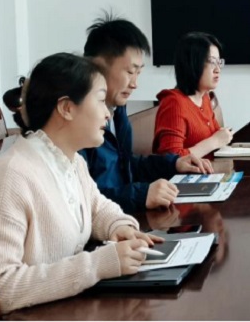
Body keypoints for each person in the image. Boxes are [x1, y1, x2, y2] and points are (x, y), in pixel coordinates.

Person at [0, 53, 161, 313]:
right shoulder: (8, 178)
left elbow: (96, 207)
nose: (107, 114)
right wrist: (97, 265)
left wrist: (119, 226)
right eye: (101, 100)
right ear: (66, 108)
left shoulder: (72, 161)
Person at [81, 13, 213, 213]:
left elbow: (126, 165)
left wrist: (174, 163)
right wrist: (142, 194)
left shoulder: (117, 110)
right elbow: (84, 200)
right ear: (96, 66)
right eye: (129, 72)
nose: (135, 84)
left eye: (138, 73)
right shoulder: (79, 122)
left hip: (123, 219)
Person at [153, 31, 232, 157]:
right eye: (212, 62)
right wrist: (214, 142)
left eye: (219, 62)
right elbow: (170, 159)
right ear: (192, 63)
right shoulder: (174, 104)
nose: (218, 69)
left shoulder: (204, 97)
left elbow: (217, 135)